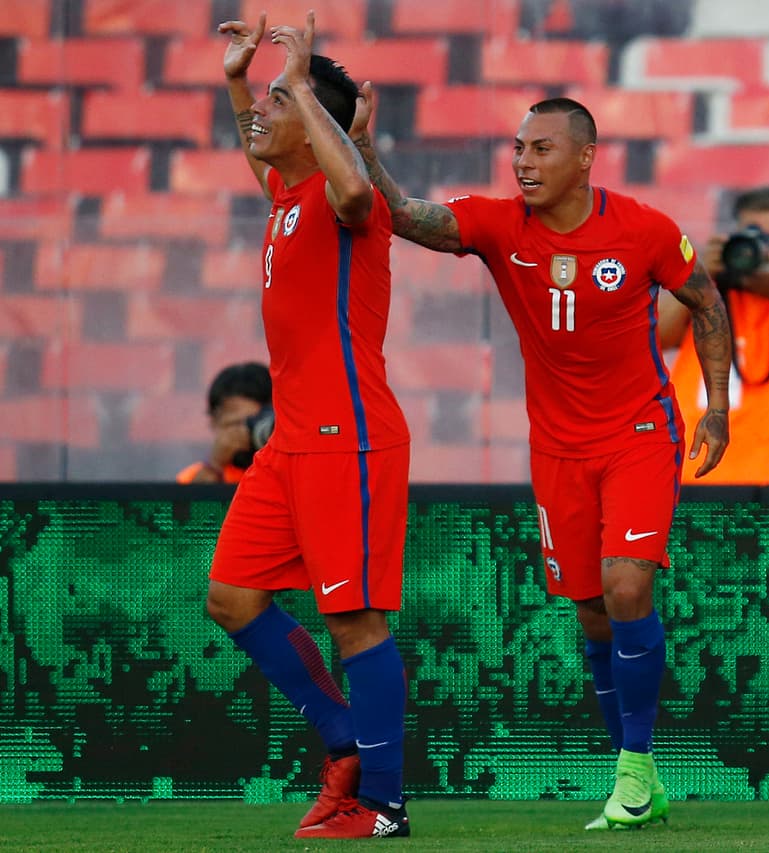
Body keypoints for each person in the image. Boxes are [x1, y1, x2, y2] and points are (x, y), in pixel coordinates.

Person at [347, 88, 732, 829]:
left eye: (541, 148)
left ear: (586, 157)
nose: (523, 161)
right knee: (591, 612)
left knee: (626, 587)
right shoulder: (498, 225)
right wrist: (366, 143)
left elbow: (708, 304)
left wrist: (715, 406)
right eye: (519, 148)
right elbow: (399, 213)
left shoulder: (644, 230)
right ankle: (635, 770)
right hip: (557, 447)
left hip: (639, 432)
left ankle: (636, 765)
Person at [206, 13, 413, 840]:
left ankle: (384, 804)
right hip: (291, 441)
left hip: (349, 437)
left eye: (276, 101)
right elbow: (263, 144)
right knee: (230, 595)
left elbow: (359, 187)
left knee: (354, 620)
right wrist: (235, 80)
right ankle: (344, 743)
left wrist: (310, 93)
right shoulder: (290, 194)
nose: (261, 111)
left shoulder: (343, 196)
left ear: (317, 122)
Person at [659, 188, 769, 484]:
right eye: (756, 237)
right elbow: (656, 338)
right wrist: (695, 276)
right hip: (693, 477)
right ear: (735, 239)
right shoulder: (708, 291)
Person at [177, 361, 272, 485]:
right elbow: (190, 503)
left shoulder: (291, 471)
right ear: (213, 422)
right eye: (235, 424)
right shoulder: (191, 477)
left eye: (253, 424)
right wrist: (214, 466)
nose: (244, 433)